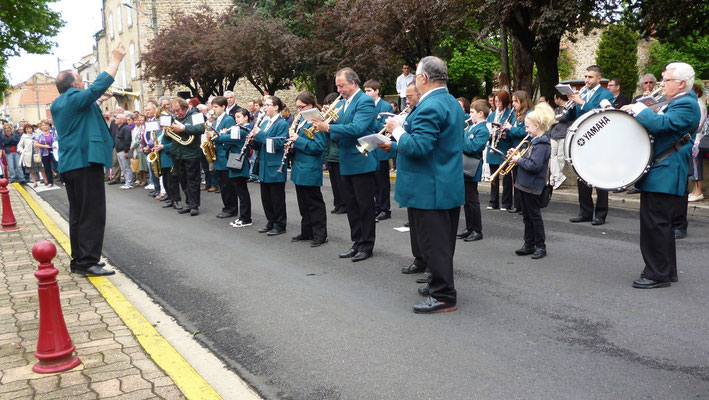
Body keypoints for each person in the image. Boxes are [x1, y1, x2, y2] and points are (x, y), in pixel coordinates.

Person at [386, 56, 464, 313]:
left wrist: (397, 130)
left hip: (430, 187)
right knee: (441, 243)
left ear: (423, 78)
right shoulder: (450, 101)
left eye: (415, 76)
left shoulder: (431, 105)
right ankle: (438, 285)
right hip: (442, 183)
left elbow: (419, 147)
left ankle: (443, 295)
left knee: (435, 243)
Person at [620, 62, 700, 289]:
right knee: (660, 225)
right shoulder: (677, 101)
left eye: (666, 80)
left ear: (681, 84)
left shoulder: (686, 103)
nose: (661, 84)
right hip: (662, 171)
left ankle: (657, 274)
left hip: (665, 171)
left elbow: (663, 124)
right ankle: (666, 270)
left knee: (655, 225)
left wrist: (641, 111)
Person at [49, 44, 126, 277]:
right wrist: (115, 61)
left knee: (78, 215)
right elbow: (96, 87)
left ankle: (80, 259)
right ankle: (88, 262)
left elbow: (87, 104)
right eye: (81, 80)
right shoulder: (74, 98)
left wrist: (99, 99)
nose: (84, 83)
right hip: (84, 163)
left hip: (72, 164)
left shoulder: (61, 102)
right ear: (74, 85)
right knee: (92, 213)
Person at [313, 68, 377, 262]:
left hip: (361, 159)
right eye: (337, 86)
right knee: (351, 204)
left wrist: (329, 127)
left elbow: (357, 128)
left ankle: (367, 245)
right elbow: (343, 125)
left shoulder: (364, 101)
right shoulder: (344, 102)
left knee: (364, 206)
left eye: (341, 85)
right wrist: (326, 119)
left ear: (353, 83)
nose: (339, 89)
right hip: (346, 159)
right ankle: (356, 242)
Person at [566, 65, 614, 226]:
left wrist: (581, 102)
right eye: (585, 76)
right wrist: (570, 104)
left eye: (590, 77)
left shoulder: (606, 94)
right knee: (582, 175)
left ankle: (601, 213)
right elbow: (573, 116)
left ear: (599, 78)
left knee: (600, 176)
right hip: (582, 139)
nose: (586, 80)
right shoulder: (583, 92)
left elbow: (604, 113)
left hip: (599, 139)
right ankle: (585, 211)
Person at [511, 102, 554, 259]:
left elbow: (534, 165)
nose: (526, 130)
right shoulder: (535, 142)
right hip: (524, 184)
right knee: (526, 216)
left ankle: (540, 246)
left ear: (537, 126)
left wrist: (518, 160)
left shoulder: (542, 144)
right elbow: (528, 160)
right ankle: (528, 244)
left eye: (528, 127)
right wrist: (518, 156)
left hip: (533, 186)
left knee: (534, 217)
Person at [289, 92, 328, 247]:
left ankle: (320, 234)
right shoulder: (302, 121)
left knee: (314, 203)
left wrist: (298, 141)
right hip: (300, 166)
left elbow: (318, 147)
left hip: (310, 167)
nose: (299, 110)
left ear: (310, 105)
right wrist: (292, 145)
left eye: (302, 106)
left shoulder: (316, 121)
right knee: (303, 203)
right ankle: (307, 231)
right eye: (297, 107)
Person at [251, 96, 289, 235]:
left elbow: (278, 144)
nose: (265, 107)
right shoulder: (266, 122)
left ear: (277, 107)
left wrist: (260, 134)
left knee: (276, 198)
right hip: (264, 165)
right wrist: (252, 140)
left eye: (268, 105)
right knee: (266, 197)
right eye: (264, 105)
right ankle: (270, 221)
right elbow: (260, 145)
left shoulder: (282, 124)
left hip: (275, 165)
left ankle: (280, 225)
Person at [458, 99, 490, 243]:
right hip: (464, 165)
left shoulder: (483, 129)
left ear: (480, 113)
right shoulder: (471, 126)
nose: (469, 115)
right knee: (466, 200)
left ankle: (477, 229)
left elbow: (472, 148)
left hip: (472, 166)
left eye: (472, 112)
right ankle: (469, 227)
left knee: (472, 200)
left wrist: (460, 136)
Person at [167, 97, 206, 216]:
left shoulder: (196, 114)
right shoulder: (175, 118)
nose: (176, 113)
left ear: (185, 108)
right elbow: (169, 136)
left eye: (178, 110)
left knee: (193, 180)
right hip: (177, 153)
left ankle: (194, 205)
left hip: (191, 153)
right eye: (174, 111)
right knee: (182, 179)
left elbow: (201, 128)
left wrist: (183, 128)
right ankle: (188, 203)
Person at [364, 79, 395, 222]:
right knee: (373, 181)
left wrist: (372, 119)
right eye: (365, 91)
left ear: (377, 91)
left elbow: (385, 127)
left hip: (381, 148)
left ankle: (385, 209)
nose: (367, 93)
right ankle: (376, 207)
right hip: (370, 148)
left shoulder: (386, 106)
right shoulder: (365, 105)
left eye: (369, 90)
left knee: (383, 182)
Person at [502, 90, 535, 214]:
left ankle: (523, 206)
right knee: (516, 178)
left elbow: (525, 132)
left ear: (523, 101)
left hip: (525, 149)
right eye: (513, 101)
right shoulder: (516, 114)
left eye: (516, 101)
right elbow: (515, 133)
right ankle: (518, 205)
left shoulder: (529, 114)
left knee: (523, 179)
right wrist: (506, 132)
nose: (513, 104)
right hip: (516, 148)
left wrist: (511, 128)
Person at [209, 96, 239, 219]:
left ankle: (231, 208)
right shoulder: (216, 121)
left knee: (228, 185)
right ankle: (227, 206)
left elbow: (230, 138)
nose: (214, 110)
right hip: (218, 155)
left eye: (216, 107)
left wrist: (214, 136)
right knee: (222, 184)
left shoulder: (228, 120)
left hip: (225, 155)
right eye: (213, 107)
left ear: (223, 107)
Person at [487, 90, 513, 210]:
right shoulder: (492, 115)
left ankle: (506, 202)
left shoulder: (510, 114)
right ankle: (493, 201)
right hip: (494, 146)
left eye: (499, 102)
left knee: (506, 176)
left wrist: (504, 131)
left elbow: (511, 130)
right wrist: (491, 133)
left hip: (504, 146)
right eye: (495, 102)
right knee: (494, 176)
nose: (496, 104)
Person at [227, 108, 253, 228]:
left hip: (240, 162)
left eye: (239, 117)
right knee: (239, 191)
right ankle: (243, 217)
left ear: (246, 117)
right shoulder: (238, 129)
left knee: (242, 192)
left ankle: (246, 218)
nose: (236, 119)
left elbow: (226, 140)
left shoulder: (243, 130)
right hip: (236, 160)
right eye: (236, 117)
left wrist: (222, 134)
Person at [322, 93, 347, 215]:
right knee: (334, 182)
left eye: (330, 103)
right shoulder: (331, 117)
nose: (328, 106)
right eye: (327, 104)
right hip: (330, 153)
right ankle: (337, 203)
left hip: (337, 153)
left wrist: (329, 126)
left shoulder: (339, 115)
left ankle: (343, 204)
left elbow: (337, 134)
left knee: (340, 182)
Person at [549, 91, 570, 189]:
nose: (554, 100)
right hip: (554, 135)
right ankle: (558, 177)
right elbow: (551, 119)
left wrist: (555, 119)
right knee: (552, 157)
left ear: (559, 98)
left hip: (564, 135)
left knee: (560, 158)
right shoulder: (556, 109)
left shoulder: (569, 108)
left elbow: (565, 117)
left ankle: (555, 178)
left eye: (555, 98)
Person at [113, 113, 134, 189]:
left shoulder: (126, 128)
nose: (115, 119)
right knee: (123, 168)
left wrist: (126, 151)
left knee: (127, 167)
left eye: (117, 118)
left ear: (122, 120)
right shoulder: (119, 128)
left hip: (123, 151)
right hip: (119, 150)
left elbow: (127, 140)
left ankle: (130, 183)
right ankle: (126, 182)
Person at [34, 120, 55, 187]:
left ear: (49, 126)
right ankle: (50, 182)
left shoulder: (53, 133)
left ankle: (63, 180)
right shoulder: (39, 135)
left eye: (46, 125)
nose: (45, 126)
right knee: (47, 167)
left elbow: (57, 141)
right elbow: (36, 144)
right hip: (44, 153)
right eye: (43, 125)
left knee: (57, 166)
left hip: (54, 152)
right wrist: (44, 146)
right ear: (41, 127)